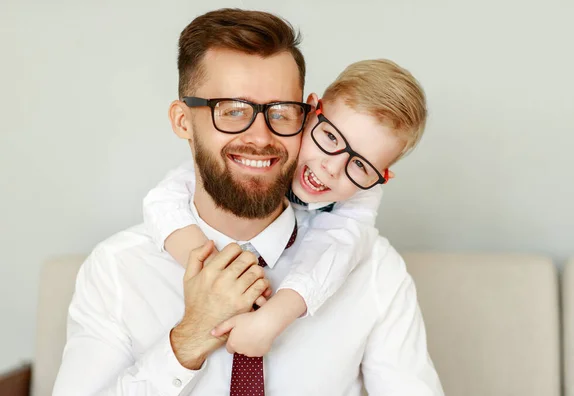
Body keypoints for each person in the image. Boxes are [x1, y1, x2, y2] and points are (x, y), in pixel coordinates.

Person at [53, 8, 443, 396]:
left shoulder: (374, 270)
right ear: (183, 121)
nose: (260, 136)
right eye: (233, 111)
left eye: (281, 111)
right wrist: (187, 340)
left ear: (304, 116)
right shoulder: (117, 271)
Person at [142, 58, 427, 358]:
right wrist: (217, 276)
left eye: (359, 164)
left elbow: (337, 247)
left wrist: (272, 317)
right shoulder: (258, 155)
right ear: (310, 110)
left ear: (382, 176)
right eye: (330, 137)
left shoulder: (362, 196)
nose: (332, 167)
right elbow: (165, 199)